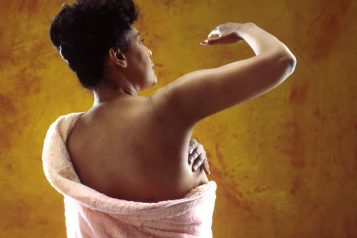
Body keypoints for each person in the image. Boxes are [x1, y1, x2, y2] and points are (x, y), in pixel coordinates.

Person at [43, 0, 296, 236]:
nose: (149, 51)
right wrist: (244, 28)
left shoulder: (68, 139)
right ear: (118, 56)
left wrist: (181, 143)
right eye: (140, 41)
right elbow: (282, 60)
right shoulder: (170, 108)